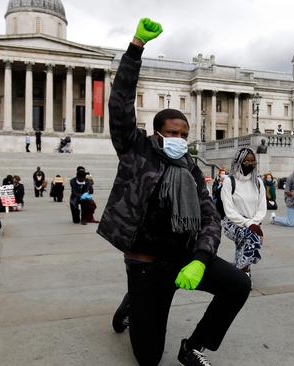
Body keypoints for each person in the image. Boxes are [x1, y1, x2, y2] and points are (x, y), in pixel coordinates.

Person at [100, 19, 250, 366]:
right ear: (156, 132)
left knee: (238, 285)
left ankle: (194, 346)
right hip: (147, 264)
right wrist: (136, 47)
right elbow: (120, 104)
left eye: (184, 134)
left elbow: (211, 217)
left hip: (183, 259)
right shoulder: (136, 151)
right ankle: (132, 304)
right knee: (149, 358)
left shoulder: (191, 168)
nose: (180, 139)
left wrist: (200, 258)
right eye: (173, 132)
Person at [220, 148, 267, 278]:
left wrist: (253, 223)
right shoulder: (230, 181)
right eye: (246, 162)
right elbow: (229, 210)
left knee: (244, 244)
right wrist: (249, 224)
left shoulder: (258, 182)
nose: (250, 164)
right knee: (251, 238)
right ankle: (244, 272)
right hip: (232, 223)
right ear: (239, 162)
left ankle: (237, 273)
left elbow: (262, 208)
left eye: (253, 162)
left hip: (253, 223)